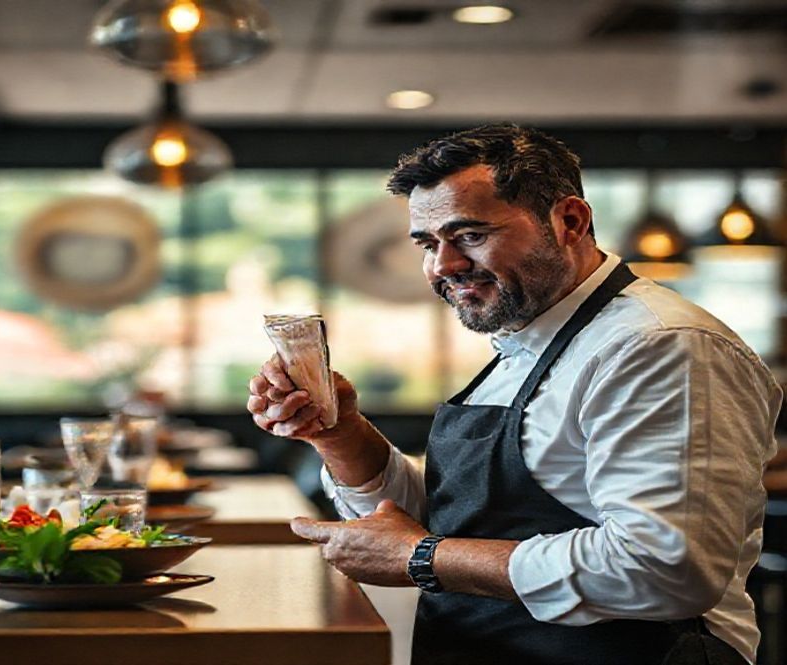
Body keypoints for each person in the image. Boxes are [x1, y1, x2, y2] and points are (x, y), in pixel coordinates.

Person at [246, 124, 782, 665]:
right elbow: (457, 525)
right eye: (429, 244)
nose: (443, 266)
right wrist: (339, 433)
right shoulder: (527, 341)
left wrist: (420, 556)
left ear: (569, 221)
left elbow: (665, 570)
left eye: (471, 236)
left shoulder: (661, 347)